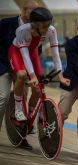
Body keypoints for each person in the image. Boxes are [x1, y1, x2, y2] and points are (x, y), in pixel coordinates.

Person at [8, 7, 70, 146]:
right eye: (44, 27)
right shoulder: (23, 30)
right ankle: (18, 109)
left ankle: (30, 114)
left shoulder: (51, 30)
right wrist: (32, 76)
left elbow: (55, 53)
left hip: (33, 52)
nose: (47, 29)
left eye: (49, 25)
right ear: (35, 25)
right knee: (22, 74)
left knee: (39, 84)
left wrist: (60, 74)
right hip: (17, 52)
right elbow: (24, 55)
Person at [0, 0, 39, 149]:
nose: (36, 15)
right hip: (3, 65)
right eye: (32, 11)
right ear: (24, 10)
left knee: (22, 98)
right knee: (2, 97)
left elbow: (36, 49)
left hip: (22, 68)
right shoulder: (5, 23)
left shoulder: (36, 26)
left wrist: (33, 73)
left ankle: (20, 137)